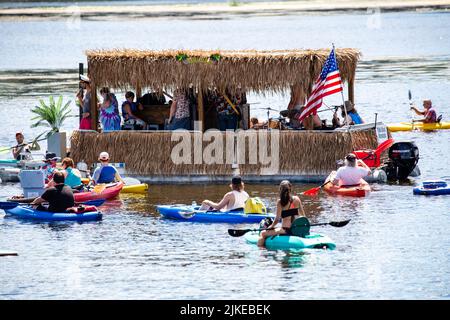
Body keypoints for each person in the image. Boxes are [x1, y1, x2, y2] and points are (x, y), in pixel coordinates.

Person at [257, 180, 305, 247]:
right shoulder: (297, 199)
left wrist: (271, 227)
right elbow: (303, 216)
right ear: (290, 188)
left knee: (262, 233)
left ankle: (261, 251)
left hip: (286, 230)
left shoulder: (280, 202)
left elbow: (277, 220)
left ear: (280, 190)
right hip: (296, 229)